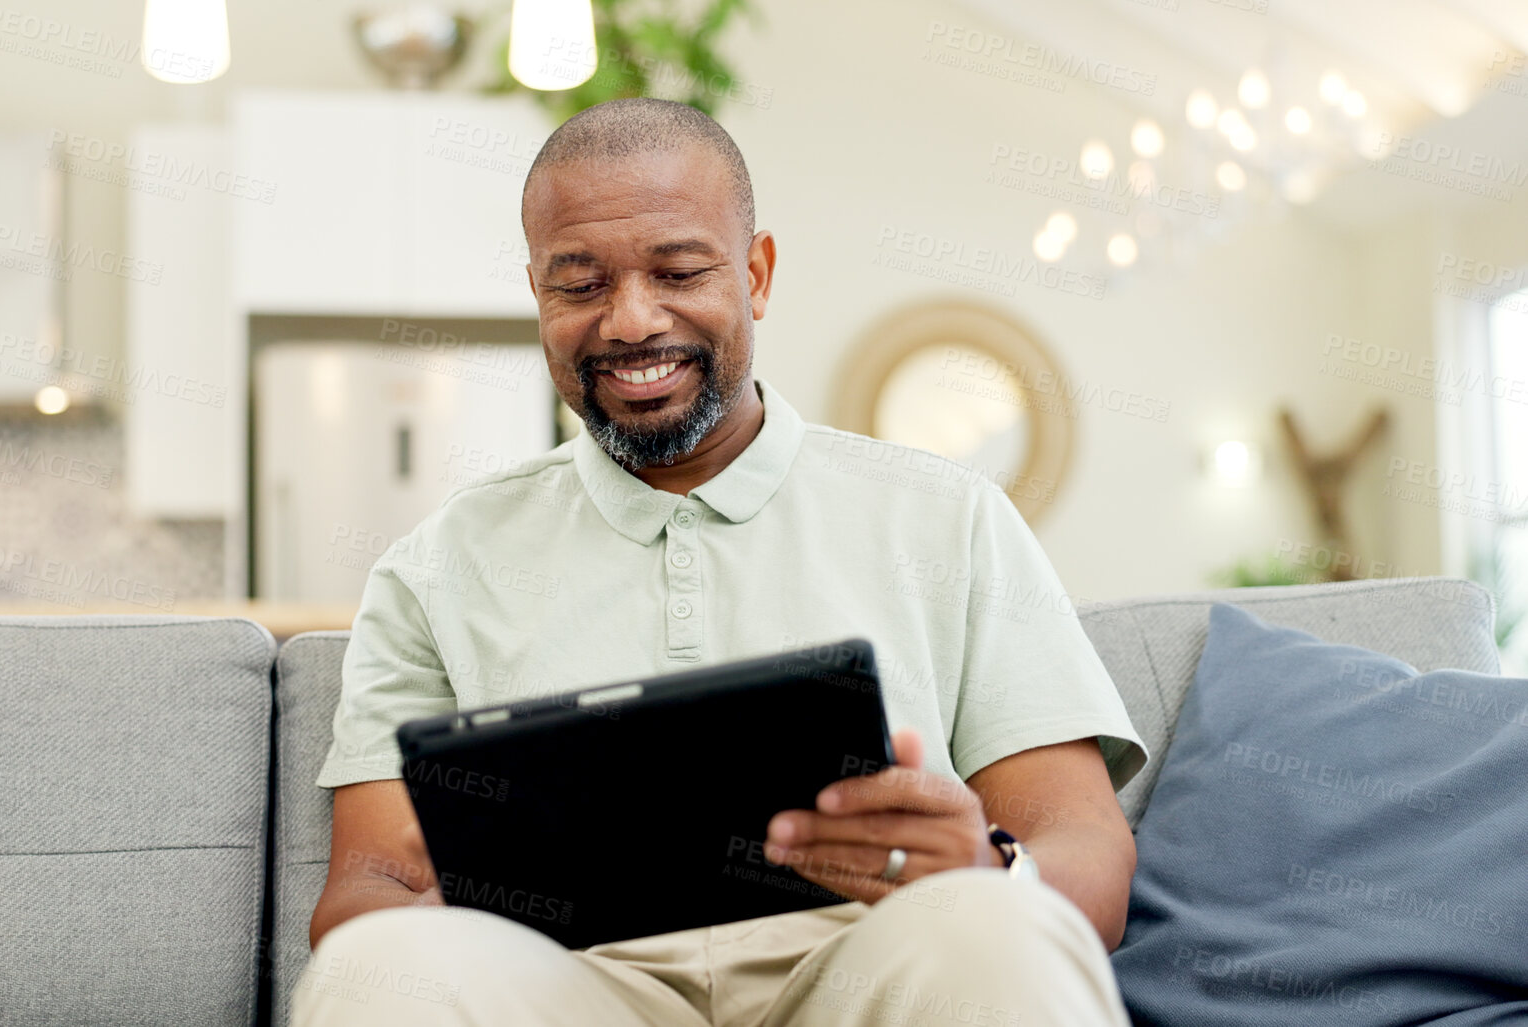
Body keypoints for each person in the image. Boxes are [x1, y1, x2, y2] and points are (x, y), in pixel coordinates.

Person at [294, 97, 1146, 1027]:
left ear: (756, 273)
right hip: (571, 993)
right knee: (378, 969)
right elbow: (363, 891)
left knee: (997, 922)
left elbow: (1085, 850)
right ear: (538, 293)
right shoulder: (434, 567)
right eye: (579, 284)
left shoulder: (952, 518)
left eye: (678, 271)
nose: (629, 320)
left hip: (871, 970)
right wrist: (457, 905)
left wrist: (989, 865)